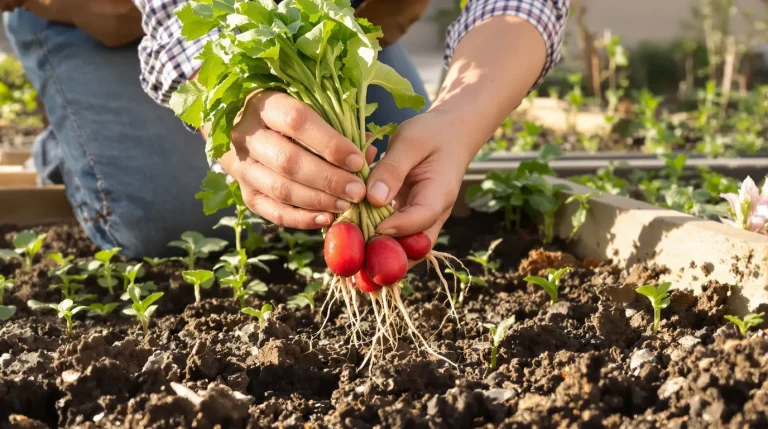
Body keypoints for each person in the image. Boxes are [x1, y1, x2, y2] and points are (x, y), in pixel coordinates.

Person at [2, 0, 569, 258]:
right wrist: (229, 102)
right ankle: (76, 148)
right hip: (111, 24)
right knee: (174, 218)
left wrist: (458, 122)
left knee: (400, 174)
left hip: (327, 28)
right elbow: (192, 24)